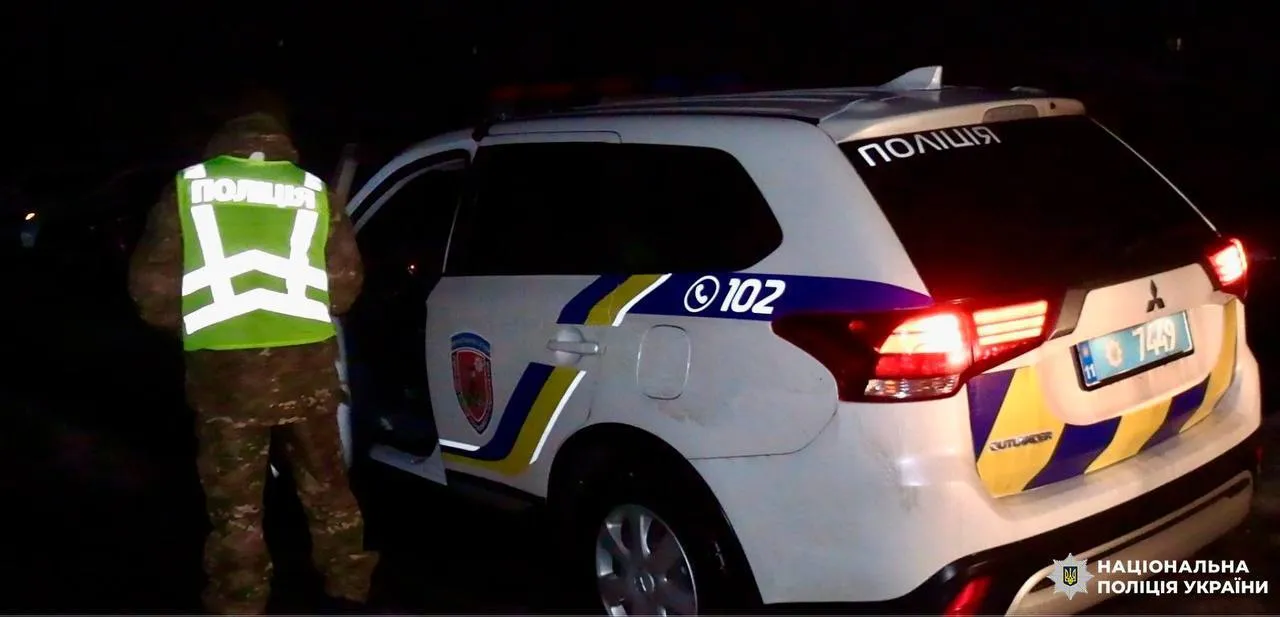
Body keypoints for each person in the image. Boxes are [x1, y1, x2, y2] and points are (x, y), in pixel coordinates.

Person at [128, 106, 379, 615]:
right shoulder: (313, 190)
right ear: (282, 141)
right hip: (306, 373)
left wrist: (194, 324)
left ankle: (240, 601)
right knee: (328, 487)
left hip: (227, 379)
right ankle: (349, 583)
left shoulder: (189, 187)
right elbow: (345, 286)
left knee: (237, 508)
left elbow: (151, 291)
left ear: (224, 141)